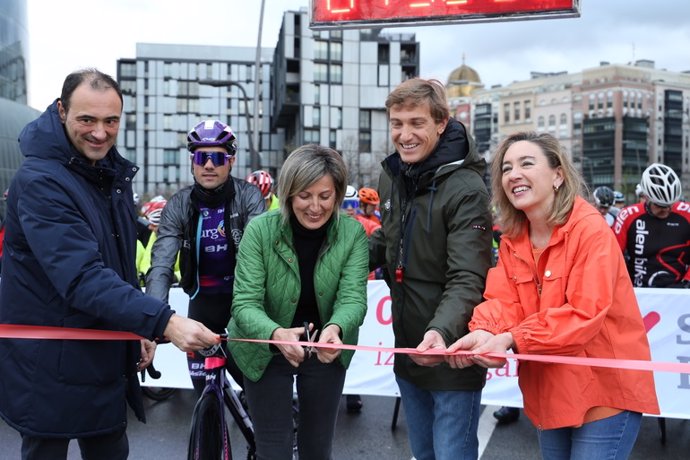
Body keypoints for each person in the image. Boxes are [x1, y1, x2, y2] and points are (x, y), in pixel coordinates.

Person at [0, 68, 219, 460]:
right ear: (62, 111)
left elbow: (117, 263)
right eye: (87, 119)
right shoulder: (40, 180)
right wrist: (163, 321)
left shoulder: (107, 172)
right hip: (49, 364)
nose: (100, 132)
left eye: (110, 120)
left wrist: (137, 328)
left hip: (100, 354)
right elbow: (82, 276)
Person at [446, 131, 659, 460]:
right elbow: (504, 301)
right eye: (506, 168)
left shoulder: (590, 229)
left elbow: (583, 314)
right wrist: (484, 333)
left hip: (605, 390)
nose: (513, 173)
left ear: (558, 174)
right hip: (550, 389)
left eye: (526, 163)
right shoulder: (513, 238)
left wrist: (512, 338)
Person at [369, 77, 493, 460]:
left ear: (441, 122)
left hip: (451, 352)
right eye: (397, 123)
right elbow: (388, 243)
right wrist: (334, 261)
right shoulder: (392, 176)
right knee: (424, 455)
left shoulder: (467, 187)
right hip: (408, 350)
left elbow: (468, 276)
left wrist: (440, 331)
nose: (404, 135)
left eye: (416, 123)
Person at [228, 144, 369, 459]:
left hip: (325, 346)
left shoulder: (352, 233)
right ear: (289, 194)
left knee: (317, 448)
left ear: (337, 194)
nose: (315, 207)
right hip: (264, 344)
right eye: (305, 196)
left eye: (325, 196)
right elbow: (244, 303)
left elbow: (352, 298)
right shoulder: (259, 230)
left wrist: (337, 327)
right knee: (273, 448)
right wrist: (276, 334)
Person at [145, 119, 265, 395]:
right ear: (193, 162)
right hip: (201, 306)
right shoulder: (179, 203)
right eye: (202, 157)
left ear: (231, 161)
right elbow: (161, 263)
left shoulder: (249, 197)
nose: (209, 165)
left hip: (242, 305)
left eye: (217, 157)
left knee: (254, 392)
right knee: (203, 396)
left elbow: (257, 258)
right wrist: (153, 320)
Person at [614, 163, 690, 288]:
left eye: (670, 205)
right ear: (646, 197)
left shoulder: (687, 214)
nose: (666, 210)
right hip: (639, 291)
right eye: (660, 205)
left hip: (680, 292)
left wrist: (687, 282)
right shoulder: (627, 216)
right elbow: (612, 257)